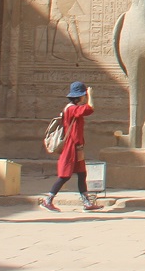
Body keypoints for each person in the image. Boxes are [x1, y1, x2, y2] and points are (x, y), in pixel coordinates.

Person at [43, 81, 103, 213]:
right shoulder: (71, 109)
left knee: (82, 174)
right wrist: (90, 95)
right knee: (64, 175)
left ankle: (87, 202)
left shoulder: (72, 108)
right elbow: (90, 108)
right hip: (71, 147)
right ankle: (48, 200)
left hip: (77, 147)